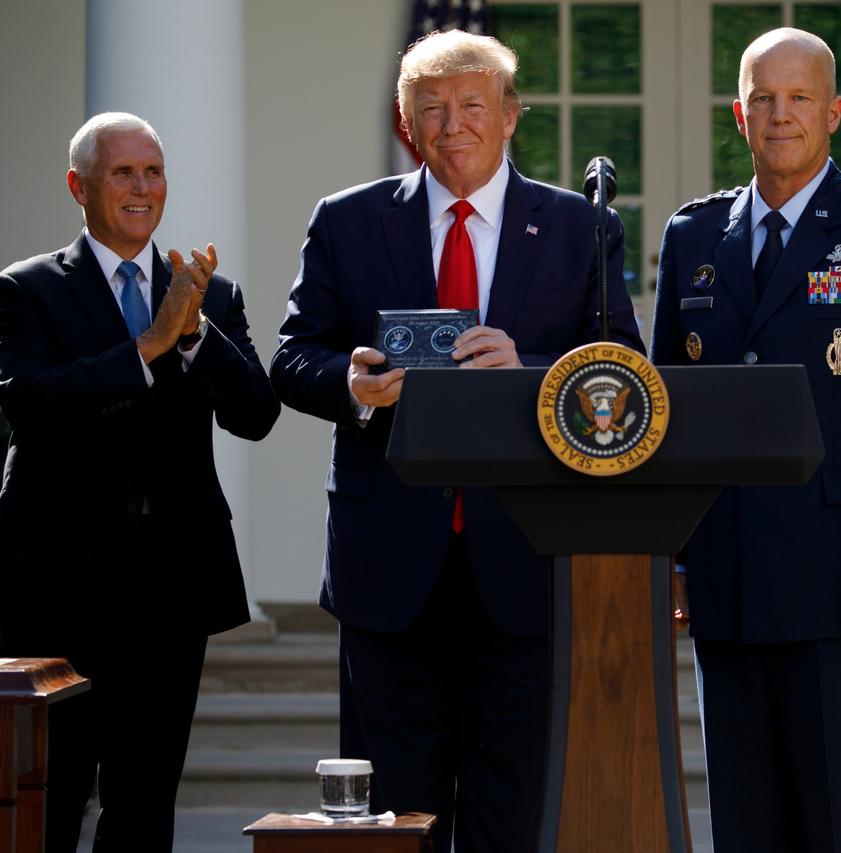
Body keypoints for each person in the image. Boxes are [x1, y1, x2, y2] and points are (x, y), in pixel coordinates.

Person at [270, 29, 642, 853]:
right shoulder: (348, 221)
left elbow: (623, 369)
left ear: (510, 117)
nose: (453, 126)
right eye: (430, 109)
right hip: (389, 568)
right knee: (395, 817)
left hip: (524, 563)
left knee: (512, 810)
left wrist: (531, 371)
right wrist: (353, 386)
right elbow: (292, 357)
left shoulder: (580, 226)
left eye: (473, 106)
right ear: (407, 123)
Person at [650, 28, 841, 852]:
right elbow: (664, 405)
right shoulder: (692, 238)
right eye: (763, 99)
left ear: (832, 112)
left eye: (798, 99)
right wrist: (673, 552)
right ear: (739, 114)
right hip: (725, 578)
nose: (779, 115)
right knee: (746, 827)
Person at [0, 112, 279, 852]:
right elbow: (26, 401)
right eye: (123, 172)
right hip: (56, 589)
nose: (141, 187)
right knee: (49, 800)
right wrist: (147, 345)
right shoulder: (25, 290)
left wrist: (192, 336)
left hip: (172, 588)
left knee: (145, 804)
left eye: (153, 171)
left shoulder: (211, 298)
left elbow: (256, 414)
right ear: (79, 186)